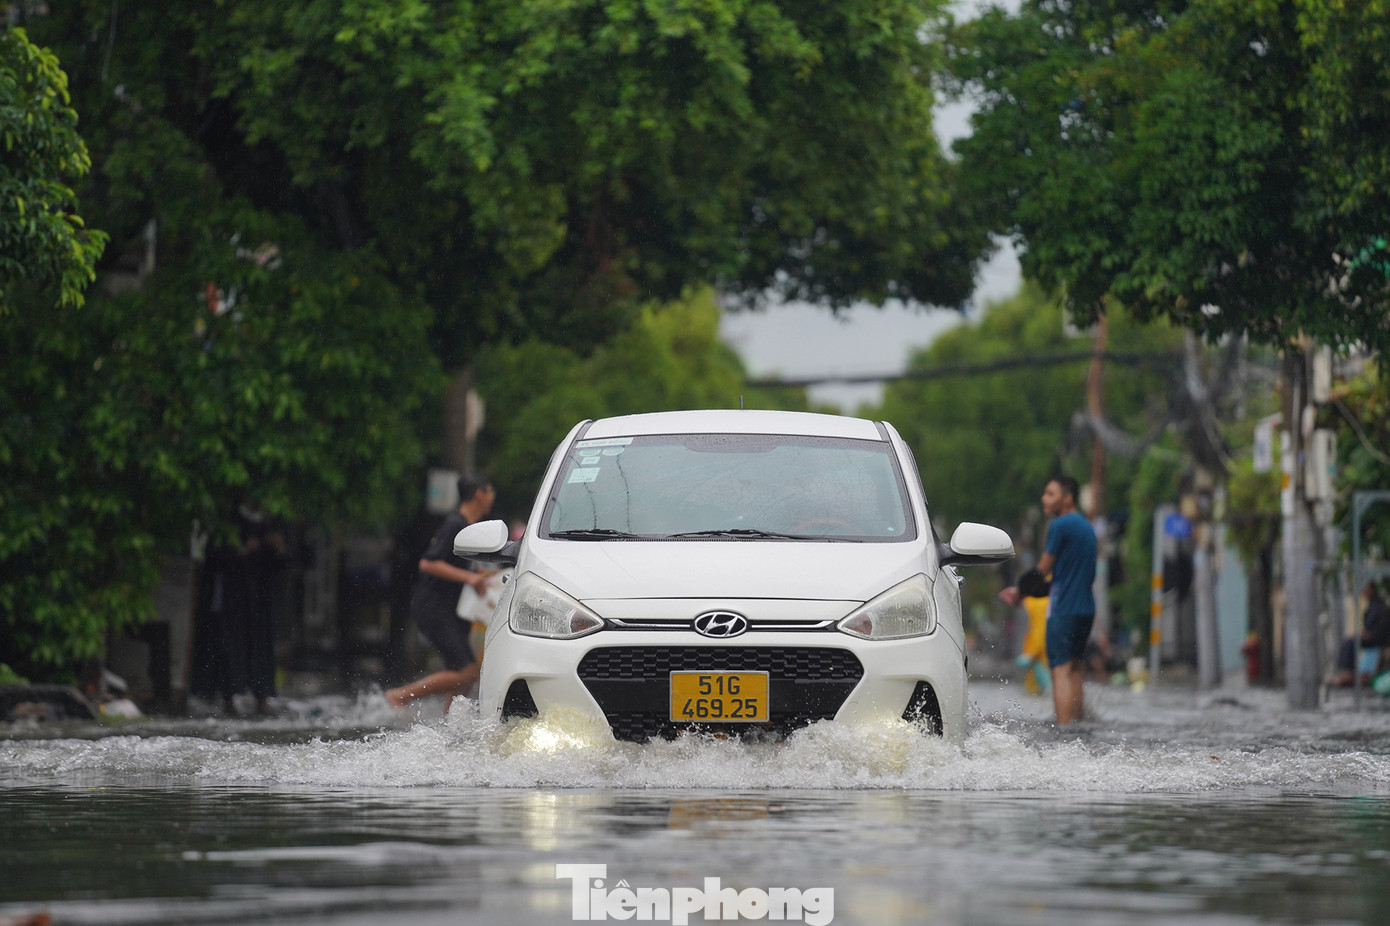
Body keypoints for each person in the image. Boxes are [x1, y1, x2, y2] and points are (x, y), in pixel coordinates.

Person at [386, 472, 496, 713]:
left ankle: (449, 723)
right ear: (479, 494)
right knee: (468, 672)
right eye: (490, 492)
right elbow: (429, 563)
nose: (492, 497)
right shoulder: (455, 524)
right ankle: (400, 696)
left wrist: (479, 575)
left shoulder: (468, 528)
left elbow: (458, 566)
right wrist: (469, 577)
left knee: (462, 674)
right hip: (434, 608)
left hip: (453, 611)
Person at [999, 476, 1097, 725]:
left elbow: (1041, 570)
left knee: (1060, 670)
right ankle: (1078, 725)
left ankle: (1064, 731)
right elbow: (1061, 580)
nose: (1044, 499)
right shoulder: (1087, 527)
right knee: (1075, 667)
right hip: (1086, 609)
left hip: (1063, 610)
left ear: (1068, 498)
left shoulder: (1060, 525)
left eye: (1051, 494)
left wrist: (1020, 591)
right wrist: (1027, 592)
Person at [1327, 581, 1390, 688]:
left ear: (1372, 590)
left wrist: (1370, 635)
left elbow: (1383, 628)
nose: (1364, 592)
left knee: (1350, 643)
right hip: (1373, 638)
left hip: (1378, 639)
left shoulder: (1379, 607)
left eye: (1366, 590)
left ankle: (1347, 674)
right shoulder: (1372, 605)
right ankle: (1346, 672)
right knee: (1349, 642)